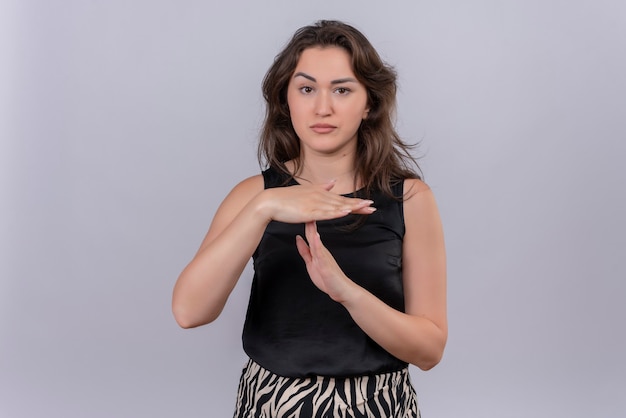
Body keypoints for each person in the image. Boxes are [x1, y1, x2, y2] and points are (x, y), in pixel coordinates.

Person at [172, 20, 447, 418]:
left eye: (342, 89)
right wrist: (264, 208)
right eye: (306, 89)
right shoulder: (252, 195)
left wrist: (346, 292)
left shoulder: (410, 198)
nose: (323, 107)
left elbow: (430, 350)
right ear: (286, 100)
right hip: (270, 405)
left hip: (378, 406)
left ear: (369, 102)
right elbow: (189, 312)